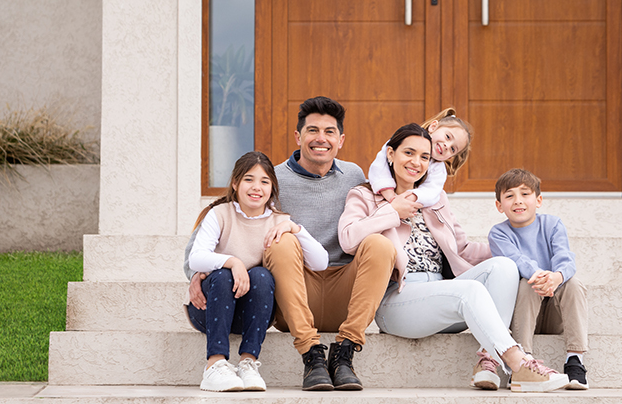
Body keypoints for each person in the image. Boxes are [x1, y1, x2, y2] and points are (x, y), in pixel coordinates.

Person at [339, 123, 571, 393]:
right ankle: (518, 363)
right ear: (390, 154)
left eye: (425, 157)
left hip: (443, 294)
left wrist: (514, 251)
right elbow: (347, 238)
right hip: (397, 300)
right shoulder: (364, 195)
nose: (417, 162)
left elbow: (462, 249)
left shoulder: (435, 199)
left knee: (504, 266)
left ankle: (488, 361)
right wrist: (392, 211)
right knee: (469, 290)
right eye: (409, 153)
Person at [191, 96, 394, 391]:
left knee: (379, 244)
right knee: (281, 241)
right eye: (312, 131)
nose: (320, 139)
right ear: (298, 136)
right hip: (294, 295)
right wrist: (196, 272)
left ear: (341, 140)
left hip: (344, 292)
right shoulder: (270, 180)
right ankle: (311, 354)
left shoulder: (354, 175)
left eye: (329, 132)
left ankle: (345, 352)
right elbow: (229, 219)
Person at [182, 151, 329, 392]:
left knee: (262, 276)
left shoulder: (279, 221)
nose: (256, 187)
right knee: (222, 275)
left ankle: (248, 362)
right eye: (249, 179)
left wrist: (294, 228)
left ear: (272, 187)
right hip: (210, 310)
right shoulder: (219, 214)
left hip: (254, 314)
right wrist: (233, 262)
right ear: (235, 183)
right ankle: (214, 364)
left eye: (264, 181)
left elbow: (321, 262)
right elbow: (196, 258)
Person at [487, 168, 590, 390]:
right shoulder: (498, 233)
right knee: (526, 282)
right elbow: (516, 260)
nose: (518, 201)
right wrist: (539, 275)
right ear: (499, 205)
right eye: (509, 195)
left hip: (554, 311)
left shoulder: (552, 225)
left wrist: (556, 277)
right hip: (523, 313)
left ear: (539, 200)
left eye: (525, 194)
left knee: (572, 282)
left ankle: (575, 359)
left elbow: (566, 258)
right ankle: (523, 361)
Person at [368, 108, 472, 207]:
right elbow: (378, 169)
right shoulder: (404, 140)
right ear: (433, 127)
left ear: (450, 157)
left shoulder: (438, 169)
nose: (447, 146)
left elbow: (431, 192)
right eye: (448, 137)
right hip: (384, 197)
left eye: (453, 149)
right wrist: (391, 198)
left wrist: (409, 198)